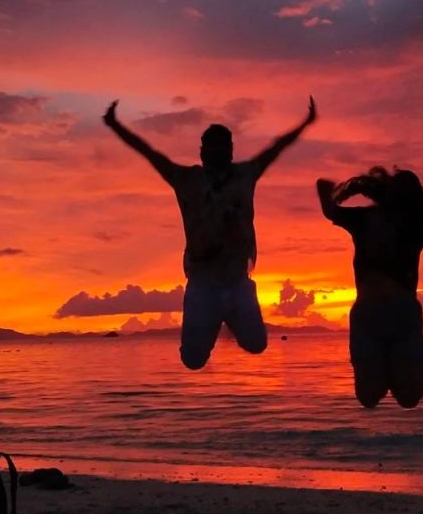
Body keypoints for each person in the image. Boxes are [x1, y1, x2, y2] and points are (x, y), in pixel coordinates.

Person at [103, 97, 317, 369]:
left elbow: (276, 148)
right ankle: (216, 318)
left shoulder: (245, 175)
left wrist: (305, 124)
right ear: (202, 152)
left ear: (230, 151)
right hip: (202, 284)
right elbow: (149, 153)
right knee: (193, 361)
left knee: (257, 345)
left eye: (223, 148)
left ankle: (229, 315)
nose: (217, 154)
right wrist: (116, 126)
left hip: (237, 280)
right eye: (212, 148)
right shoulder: (186, 179)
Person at [317, 143, 423, 408]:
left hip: (400, 314)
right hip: (370, 316)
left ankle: (405, 357)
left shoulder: (419, 218)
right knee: (368, 398)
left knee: (409, 398)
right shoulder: (367, 218)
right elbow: (330, 211)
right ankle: (403, 358)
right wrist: (324, 191)